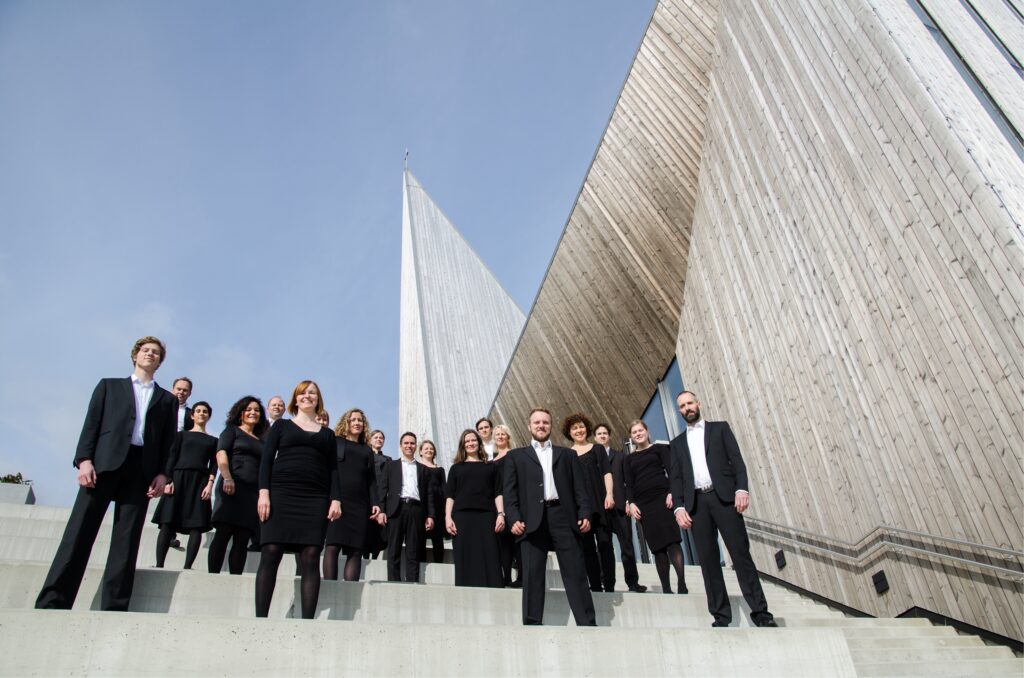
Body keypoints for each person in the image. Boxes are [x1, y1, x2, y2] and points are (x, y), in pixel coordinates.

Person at [35, 336, 177, 611]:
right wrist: (84, 460)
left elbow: (169, 441)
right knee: (78, 533)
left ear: (160, 362)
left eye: (156, 353)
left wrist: (164, 474)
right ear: (135, 355)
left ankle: (114, 605)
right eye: (146, 350)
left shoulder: (166, 399)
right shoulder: (109, 386)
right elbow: (92, 424)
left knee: (127, 540)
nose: (150, 354)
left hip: (141, 471)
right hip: (103, 465)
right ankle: (54, 600)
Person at [670, 391, 777, 628]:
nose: (687, 408)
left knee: (741, 556)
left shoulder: (719, 429)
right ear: (679, 411)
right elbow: (676, 479)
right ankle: (721, 616)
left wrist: (742, 489)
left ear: (698, 404)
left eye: (689, 403)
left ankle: (761, 613)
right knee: (708, 562)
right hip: (696, 505)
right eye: (682, 406)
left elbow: (737, 461)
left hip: (725, 500)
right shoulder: (676, 444)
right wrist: (678, 507)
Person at [256, 380, 341, 619]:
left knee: (311, 556)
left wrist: (336, 499)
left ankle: (307, 620)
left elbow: (333, 469)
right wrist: (264, 492)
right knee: (271, 551)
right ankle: (260, 617)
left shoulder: (327, 434)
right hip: (281, 493)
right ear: (296, 399)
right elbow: (266, 461)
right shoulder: (282, 426)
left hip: (315, 498)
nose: (307, 396)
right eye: (302, 393)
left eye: (312, 393)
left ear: (318, 399)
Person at [503, 408, 596, 626]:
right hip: (530, 521)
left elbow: (580, 489)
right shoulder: (515, 456)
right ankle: (533, 623)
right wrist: (513, 517)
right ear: (529, 426)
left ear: (551, 426)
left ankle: (587, 622)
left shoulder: (568, 455)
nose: (541, 425)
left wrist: (584, 512)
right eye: (537, 422)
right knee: (532, 574)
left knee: (575, 571)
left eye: (545, 422)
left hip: (563, 517)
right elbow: (510, 492)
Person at [624, 419, 687, 595]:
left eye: (640, 430)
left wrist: (671, 492)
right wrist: (631, 503)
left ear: (647, 431)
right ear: (631, 436)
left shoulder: (659, 449)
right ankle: (666, 589)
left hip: (663, 499)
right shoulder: (629, 459)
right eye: (634, 432)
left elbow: (672, 471)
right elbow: (628, 484)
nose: (638, 434)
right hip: (644, 505)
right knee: (658, 547)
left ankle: (682, 583)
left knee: (672, 542)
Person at [152, 401, 217, 569]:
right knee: (168, 521)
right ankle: (159, 564)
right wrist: (168, 480)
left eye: (205, 411)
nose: (201, 413)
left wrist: (209, 484)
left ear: (208, 416)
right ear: (192, 415)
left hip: (199, 482)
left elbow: (214, 465)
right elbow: (171, 457)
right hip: (178, 479)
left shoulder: (213, 441)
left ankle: (188, 566)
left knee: (197, 525)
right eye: (198, 411)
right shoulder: (181, 435)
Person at [209, 396, 267, 574]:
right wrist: (227, 477)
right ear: (241, 413)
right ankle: (213, 576)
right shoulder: (232, 431)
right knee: (223, 533)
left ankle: (235, 577)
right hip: (231, 486)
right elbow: (221, 454)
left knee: (243, 537)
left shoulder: (262, 441)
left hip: (251, 493)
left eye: (256, 410)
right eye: (249, 409)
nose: (253, 413)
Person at [323, 408, 382, 581]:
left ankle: (350, 589)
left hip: (360, 504)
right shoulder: (336, 442)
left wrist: (375, 503)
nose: (357, 423)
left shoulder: (367, 450)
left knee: (356, 549)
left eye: (360, 420)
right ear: (346, 423)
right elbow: (330, 471)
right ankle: (329, 587)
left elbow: (371, 479)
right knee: (333, 546)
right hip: (338, 500)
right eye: (353, 420)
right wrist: (333, 498)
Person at [563, 413, 617, 593]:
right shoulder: (567, 455)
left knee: (605, 545)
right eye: (574, 428)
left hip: (601, 503)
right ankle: (594, 586)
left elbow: (607, 473)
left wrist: (609, 494)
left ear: (586, 428)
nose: (578, 430)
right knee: (587, 549)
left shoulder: (598, 449)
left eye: (581, 427)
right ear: (569, 433)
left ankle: (609, 585)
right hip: (582, 509)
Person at [445, 430, 504, 587]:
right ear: (463, 446)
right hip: (462, 516)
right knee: (465, 555)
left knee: (490, 553)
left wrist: (500, 514)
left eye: (473, 440)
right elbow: (450, 495)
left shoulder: (491, 467)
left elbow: (498, 493)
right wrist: (447, 517)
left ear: (479, 443)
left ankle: (494, 588)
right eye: (467, 441)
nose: (470, 443)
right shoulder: (456, 468)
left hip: (487, 515)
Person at [594, 423, 645, 593]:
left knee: (627, 546)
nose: (602, 436)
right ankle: (606, 582)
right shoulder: (592, 457)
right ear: (595, 437)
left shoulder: (620, 456)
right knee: (604, 546)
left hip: (620, 507)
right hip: (601, 509)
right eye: (599, 433)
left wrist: (630, 501)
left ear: (609, 436)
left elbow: (628, 481)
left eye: (605, 433)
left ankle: (633, 582)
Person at [381, 432, 435, 583]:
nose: (409, 446)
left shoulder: (423, 469)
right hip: (396, 509)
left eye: (412, 443)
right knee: (394, 549)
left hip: (416, 510)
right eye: (406, 443)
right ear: (400, 446)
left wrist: (430, 515)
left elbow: (429, 494)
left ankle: (412, 581)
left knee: (413, 549)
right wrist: (382, 510)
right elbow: (383, 489)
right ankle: (393, 581)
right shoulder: (390, 465)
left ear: (416, 446)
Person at [492, 424, 520, 587]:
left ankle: (521, 577)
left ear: (508, 436)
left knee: (516, 541)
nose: (500, 437)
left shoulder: (515, 454)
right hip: (498, 504)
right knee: (503, 543)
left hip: (513, 502)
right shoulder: (491, 460)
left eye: (503, 434)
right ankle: (506, 576)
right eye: (497, 435)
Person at [417, 440, 446, 563]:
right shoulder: (417, 467)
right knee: (420, 535)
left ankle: (439, 562)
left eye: (431, 449)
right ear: (421, 452)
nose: (429, 450)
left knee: (437, 536)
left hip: (438, 503)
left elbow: (444, 488)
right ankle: (421, 562)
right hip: (422, 503)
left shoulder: (440, 469)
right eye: (426, 448)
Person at [367, 429, 391, 560]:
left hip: (382, 497)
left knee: (380, 531)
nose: (378, 439)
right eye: (375, 437)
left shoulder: (388, 459)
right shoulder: (365, 455)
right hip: (367, 496)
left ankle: (375, 556)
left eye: (381, 438)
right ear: (370, 440)